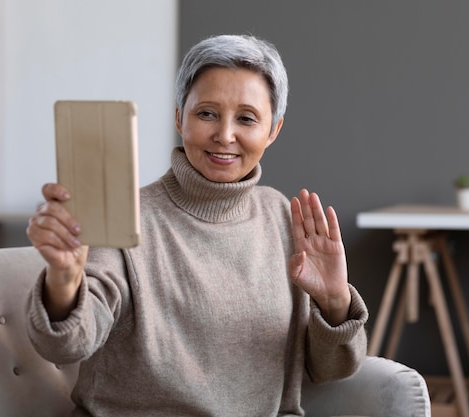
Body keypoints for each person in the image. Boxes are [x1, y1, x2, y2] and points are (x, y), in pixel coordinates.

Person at [26, 34, 368, 417]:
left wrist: (334, 302)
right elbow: (66, 345)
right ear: (179, 118)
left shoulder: (283, 218)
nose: (224, 135)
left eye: (246, 118)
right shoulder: (128, 215)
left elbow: (332, 369)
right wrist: (63, 278)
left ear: (273, 130)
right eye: (206, 113)